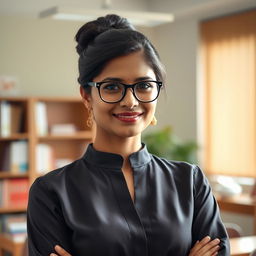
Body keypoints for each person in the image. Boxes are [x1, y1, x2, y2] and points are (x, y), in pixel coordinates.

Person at [27, 14, 230, 256]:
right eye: (112, 87)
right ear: (86, 95)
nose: (130, 101)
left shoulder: (190, 182)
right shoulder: (51, 193)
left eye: (144, 85)